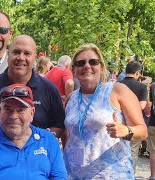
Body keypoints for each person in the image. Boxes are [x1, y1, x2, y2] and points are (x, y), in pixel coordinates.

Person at [63, 43, 148, 179]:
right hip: (73, 175)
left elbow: (143, 131)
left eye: (93, 62)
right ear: (74, 70)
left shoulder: (117, 90)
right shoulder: (71, 98)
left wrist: (126, 131)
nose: (86, 66)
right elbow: (68, 136)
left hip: (111, 175)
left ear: (101, 67)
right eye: (80, 63)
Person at [0, 35, 65, 138]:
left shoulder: (49, 89)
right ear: (8, 54)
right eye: (16, 52)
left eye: (27, 53)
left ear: (34, 58)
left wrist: (44, 138)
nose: (21, 58)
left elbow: (59, 125)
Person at [119, 60, 148, 173]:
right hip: (134, 125)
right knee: (133, 151)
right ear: (138, 72)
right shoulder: (141, 87)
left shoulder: (117, 84)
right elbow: (141, 106)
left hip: (118, 122)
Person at [148, 83, 155, 180]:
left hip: (153, 122)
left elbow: (150, 103)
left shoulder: (153, 86)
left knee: (153, 151)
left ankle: (153, 175)